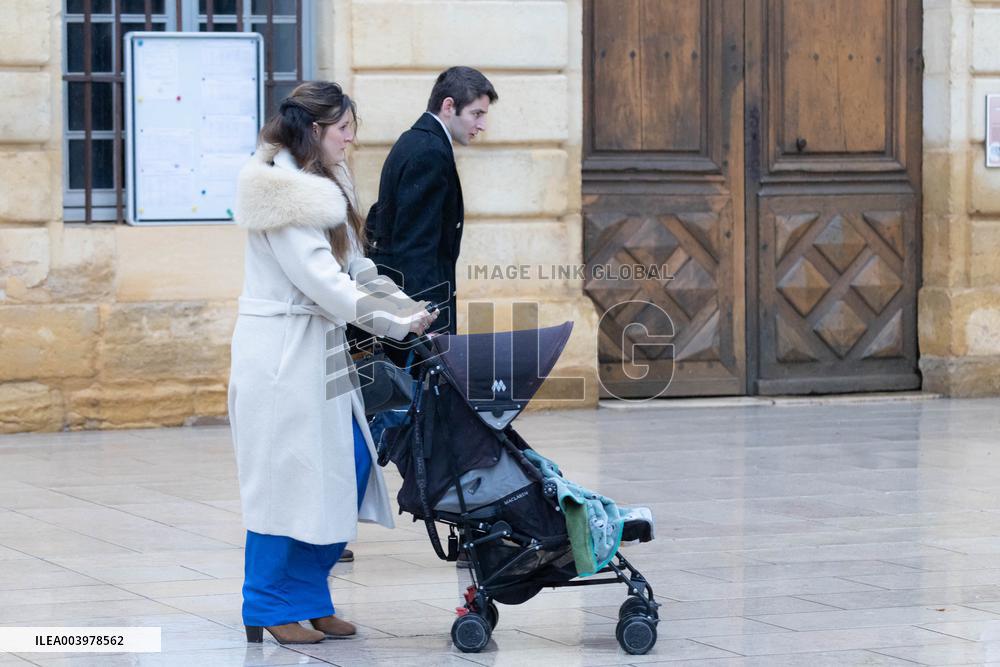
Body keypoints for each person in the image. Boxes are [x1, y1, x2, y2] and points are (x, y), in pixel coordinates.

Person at [229, 81, 437, 645]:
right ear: (314, 130)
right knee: (284, 481)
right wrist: (391, 322)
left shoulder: (321, 185)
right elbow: (323, 283)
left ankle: (309, 596)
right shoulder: (287, 196)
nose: (350, 139)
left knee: (340, 467)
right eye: (343, 128)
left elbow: (354, 269)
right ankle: (267, 603)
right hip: (280, 354)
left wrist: (406, 306)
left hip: (313, 350)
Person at [365, 66, 498, 341]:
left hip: (405, 303)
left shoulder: (417, 141)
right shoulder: (430, 151)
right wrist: (427, 319)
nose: (482, 125)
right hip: (419, 311)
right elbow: (416, 246)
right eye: (477, 114)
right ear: (449, 106)